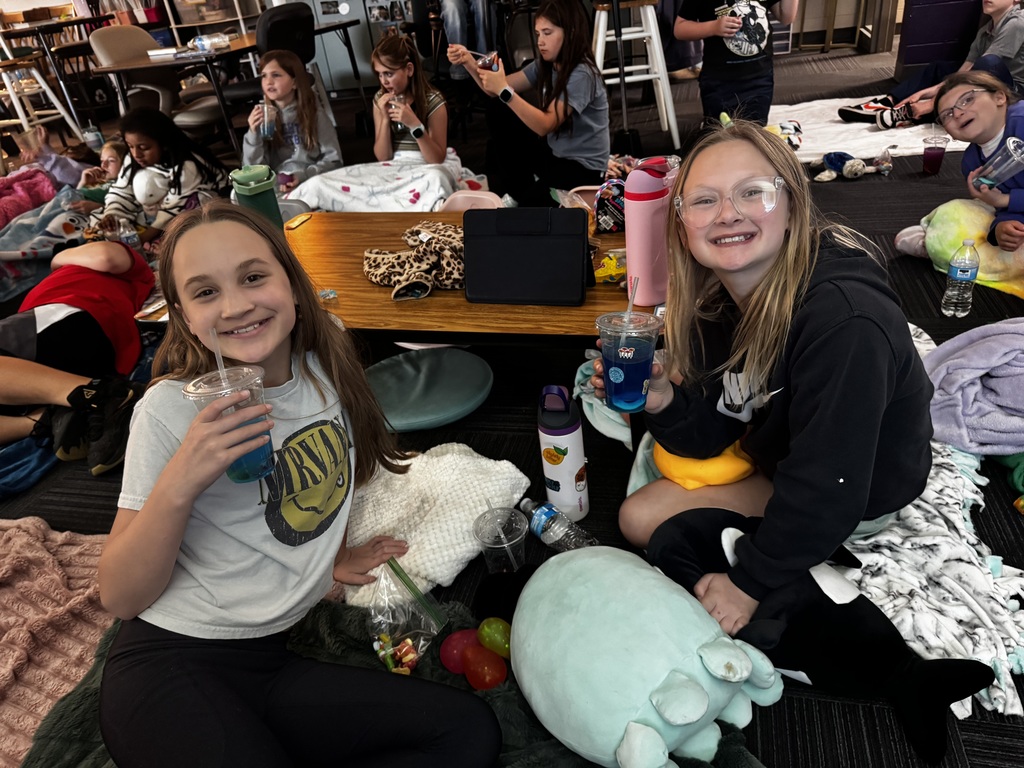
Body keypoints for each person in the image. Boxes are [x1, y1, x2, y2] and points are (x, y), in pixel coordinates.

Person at [590, 120, 994, 764]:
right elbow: (721, 420)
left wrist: (747, 582)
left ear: (792, 204)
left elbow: (830, 486)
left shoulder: (843, 321)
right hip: (788, 449)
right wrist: (666, 401)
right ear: (682, 224)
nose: (728, 214)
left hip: (860, 486)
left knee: (641, 518)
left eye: (752, 192)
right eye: (704, 199)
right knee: (651, 494)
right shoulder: (728, 299)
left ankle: (822, 598)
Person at [96, 201, 502, 768]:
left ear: (290, 280)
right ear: (185, 316)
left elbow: (317, 485)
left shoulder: (326, 363)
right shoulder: (169, 409)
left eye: (254, 276)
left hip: (272, 660)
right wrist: (179, 482)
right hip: (173, 660)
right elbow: (118, 595)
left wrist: (330, 557)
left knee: (466, 733)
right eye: (206, 292)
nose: (237, 305)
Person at [0, 240, 152, 475]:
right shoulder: (78, 271)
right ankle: (48, 417)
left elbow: (106, 256)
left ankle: (102, 394)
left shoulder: (85, 266)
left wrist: (58, 258)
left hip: (66, 321)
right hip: (67, 347)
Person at [448, 0, 609, 206]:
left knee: (528, 213)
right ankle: (518, 191)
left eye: (547, 33)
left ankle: (527, 196)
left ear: (570, 32)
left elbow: (545, 124)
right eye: (538, 33)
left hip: (583, 170)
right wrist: (469, 62)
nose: (540, 41)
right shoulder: (545, 64)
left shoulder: (582, 74)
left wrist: (504, 90)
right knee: (499, 108)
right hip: (555, 155)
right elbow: (493, 89)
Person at [839, 0, 1023, 129]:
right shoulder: (986, 30)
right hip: (989, 81)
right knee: (940, 69)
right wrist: (930, 91)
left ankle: (915, 112)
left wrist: (932, 101)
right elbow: (964, 71)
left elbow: (982, 71)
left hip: (1014, 93)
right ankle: (889, 102)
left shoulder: (1017, 23)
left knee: (987, 63)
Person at [90, 108, 229, 244]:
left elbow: (176, 208)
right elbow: (121, 191)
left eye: (144, 148)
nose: (136, 154)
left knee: (196, 209)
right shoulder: (132, 159)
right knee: (99, 219)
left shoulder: (187, 166)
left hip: (203, 202)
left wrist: (143, 238)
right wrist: (112, 215)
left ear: (164, 144)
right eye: (130, 146)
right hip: (160, 208)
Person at [673, 0, 799, 126]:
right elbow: (680, 29)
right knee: (720, 134)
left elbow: (786, 18)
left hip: (760, 78)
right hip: (720, 81)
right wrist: (713, 27)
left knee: (754, 133)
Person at [939, 70, 1024, 250]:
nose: (957, 113)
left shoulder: (1021, 120)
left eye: (967, 99)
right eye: (947, 114)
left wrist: (1005, 200)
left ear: (1000, 97)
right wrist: (1003, 227)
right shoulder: (971, 163)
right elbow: (1005, 209)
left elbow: (1005, 201)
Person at [242, 50, 343, 194]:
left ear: (294, 82)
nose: (268, 81)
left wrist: (302, 176)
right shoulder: (264, 119)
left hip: (311, 180)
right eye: (264, 76)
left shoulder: (314, 114)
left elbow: (334, 161)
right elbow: (252, 170)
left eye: (276, 75)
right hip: (277, 185)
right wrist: (253, 134)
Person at [372, 33, 449, 165]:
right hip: (395, 166)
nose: (384, 81)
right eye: (379, 74)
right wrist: (385, 120)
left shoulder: (433, 101)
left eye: (389, 74)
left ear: (409, 69)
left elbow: (436, 159)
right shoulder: (380, 99)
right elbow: (383, 157)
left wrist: (415, 125)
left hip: (425, 165)